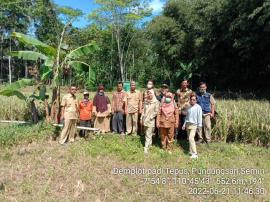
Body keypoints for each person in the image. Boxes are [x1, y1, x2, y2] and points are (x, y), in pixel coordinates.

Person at [182, 93, 202, 159]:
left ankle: (195, 153)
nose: (192, 101)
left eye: (194, 100)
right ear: (190, 100)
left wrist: (199, 126)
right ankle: (190, 151)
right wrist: (184, 124)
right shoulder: (189, 107)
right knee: (189, 139)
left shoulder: (198, 107)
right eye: (191, 99)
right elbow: (187, 117)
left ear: (196, 100)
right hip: (188, 124)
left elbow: (199, 117)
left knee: (191, 138)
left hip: (194, 125)